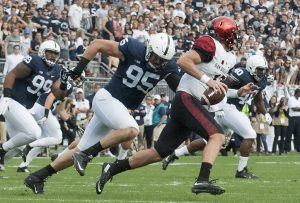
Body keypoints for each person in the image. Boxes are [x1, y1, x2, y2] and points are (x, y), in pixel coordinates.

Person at [94, 16, 242, 195]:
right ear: (225, 33)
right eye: (233, 33)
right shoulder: (210, 44)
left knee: (158, 153)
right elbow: (183, 61)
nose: (236, 37)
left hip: (194, 103)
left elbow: (215, 88)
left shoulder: (231, 58)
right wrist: (208, 80)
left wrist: (236, 92)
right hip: (186, 98)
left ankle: (111, 168)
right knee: (217, 135)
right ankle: (202, 180)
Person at [24, 33, 181, 194]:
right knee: (132, 129)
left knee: (79, 150)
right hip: (107, 99)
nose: (158, 62)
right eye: (156, 57)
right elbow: (97, 43)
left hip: (116, 108)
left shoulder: (167, 68)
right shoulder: (134, 49)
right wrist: (79, 69)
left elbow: (180, 88)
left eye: (163, 60)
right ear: (149, 49)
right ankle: (87, 155)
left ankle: (37, 177)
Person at [162, 55, 269, 179]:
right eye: (260, 70)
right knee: (250, 134)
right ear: (251, 67)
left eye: (263, 70)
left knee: (211, 140)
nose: (262, 73)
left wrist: (265, 113)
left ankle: (175, 154)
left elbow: (258, 99)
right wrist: (217, 107)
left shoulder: (262, 81)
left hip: (231, 110)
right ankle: (241, 170)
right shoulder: (242, 74)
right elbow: (221, 87)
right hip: (227, 108)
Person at [0, 40, 68, 170]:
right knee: (34, 133)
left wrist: (64, 83)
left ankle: (1, 160)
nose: (53, 56)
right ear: (43, 52)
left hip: (24, 106)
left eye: (55, 53)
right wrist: (7, 96)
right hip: (12, 101)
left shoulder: (56, 70)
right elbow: (11, 74)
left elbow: (58, 95)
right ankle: (1, 150)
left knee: (19, 145)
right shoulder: (35, 61)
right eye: (50, 53)